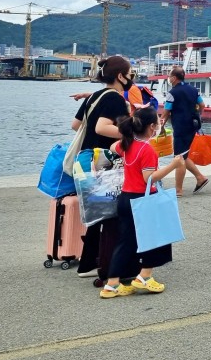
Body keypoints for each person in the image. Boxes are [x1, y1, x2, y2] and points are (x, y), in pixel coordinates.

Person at [100, 107, 184, 299]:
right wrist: (174, 164)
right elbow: (149, 178)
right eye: (158, 121)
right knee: (157, 236)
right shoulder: (147, 149)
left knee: (125, 242)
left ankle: (112, 285)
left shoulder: (127, 144)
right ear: (152, 127)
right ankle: (145, 276)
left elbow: (113, 148)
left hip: (125, 198)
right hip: (143, 198)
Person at [73, 56, 134, 279]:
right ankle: (110, 262)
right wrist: (132, 133)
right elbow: (101, 127)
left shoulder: (94, 96)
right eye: (131, 74)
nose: (132, 78)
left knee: (98, 214)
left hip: (85, 159)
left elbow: (76, 125)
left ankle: (88, 263)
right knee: (112, 214)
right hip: (103, 162)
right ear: (120, 76)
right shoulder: (116, 98)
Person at [160, 67, 210, 196]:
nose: (169, 78)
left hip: (180, 127)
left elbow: (165, 113)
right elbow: (202, 105)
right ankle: (200, 178)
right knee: (184, 154)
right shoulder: (193, 90)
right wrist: (198, 116)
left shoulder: (172, 92)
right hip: (193, 126)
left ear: (174, 78)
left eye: (170, 76)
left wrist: (160, 127)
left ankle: (178, 190)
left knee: (179, 157)